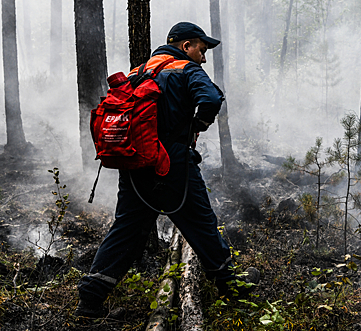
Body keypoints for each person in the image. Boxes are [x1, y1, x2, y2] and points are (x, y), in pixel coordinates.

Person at [75, 22, 260, 318]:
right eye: (201, 48)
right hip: (172, 162)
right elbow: (212, 99)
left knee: (126, 230)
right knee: (201, 224)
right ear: (186, 46)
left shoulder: (138, 72)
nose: (204, 56)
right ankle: (231, 287)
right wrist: (199, 125)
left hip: (135, 165)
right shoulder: (186, 69)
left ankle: (90, 298)